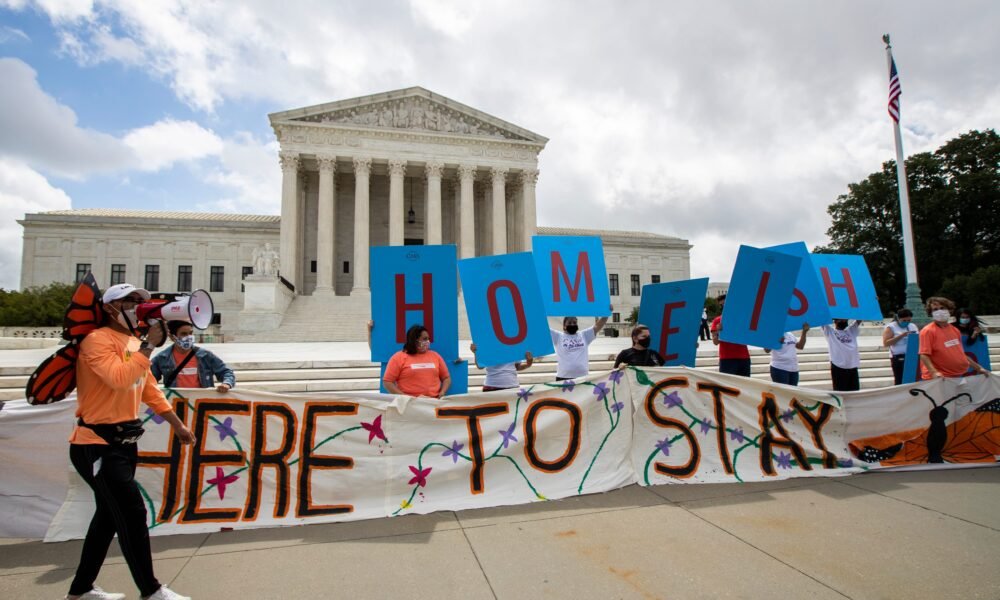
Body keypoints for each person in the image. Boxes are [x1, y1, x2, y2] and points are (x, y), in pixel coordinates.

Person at [67, 283, 194, 600]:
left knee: (108, 517)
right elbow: (119, 379)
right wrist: (148, 347)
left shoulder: (132, 343)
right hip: (95, 443)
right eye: (130, 301)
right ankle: (151, 590)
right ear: (110, 307)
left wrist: (178, 425)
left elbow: (148, 388)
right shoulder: (96, 340)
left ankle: (81, 590)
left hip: (124, 442)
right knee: (132, 513)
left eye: (140, 300)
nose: (137, 305)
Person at [150, 321, 235, 391]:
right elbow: (148, 379)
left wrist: (226, 383)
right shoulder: (162, 358)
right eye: (183, 334)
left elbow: (226, 372)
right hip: (175, 402)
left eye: (190, 333)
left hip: (201, 401)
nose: (189, 337)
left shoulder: (205, 355)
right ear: (172, 337)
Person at [919, 297, 990, 380]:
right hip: (939, 378)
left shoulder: (954, 330)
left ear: (949, 310)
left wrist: (979, 368)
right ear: (931, 313)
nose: (939, 311)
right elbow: (924, 355)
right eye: (935, 309)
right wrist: (934, 372)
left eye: (942, 308)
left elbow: (961, 354)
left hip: (956, 376)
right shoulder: (928, 331)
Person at [383, 324, 452, 397]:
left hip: (434, 401)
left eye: (428, 339)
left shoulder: (435, 356)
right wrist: (404, 397)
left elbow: (446, 378)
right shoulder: (398, 357)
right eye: (425, 339)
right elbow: (387, 382)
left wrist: (442, 392)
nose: (428, 341)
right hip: (410, 402)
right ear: (414, 340)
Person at [550, 310, 610, 380]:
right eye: (569, 323)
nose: (572, 325)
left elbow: (598, 326)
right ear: (564, 325)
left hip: (582, 377)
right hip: (563, 377)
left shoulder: (584, 335)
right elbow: (543, 327)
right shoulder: (558, 336)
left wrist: (607, 312)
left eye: (574, 322)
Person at [710, 294, 751, 377]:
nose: (723, 307)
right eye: (721, 305)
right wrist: (718, 331)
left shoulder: (742, 319)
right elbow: (715, 342)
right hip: (727, 359)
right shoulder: (717, 321)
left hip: (744, 357)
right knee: (727, 385)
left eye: (725, 304)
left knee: (744, 384)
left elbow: (749, 335)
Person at [821, 319, 861, 392]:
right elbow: (822, 319)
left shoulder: (851, 330)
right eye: (840, 319)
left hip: (852, 368)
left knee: (854, 394)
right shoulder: (830, 331)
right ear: (835, 321)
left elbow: (859, 319)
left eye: (844, 319)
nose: (843, 321)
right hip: (838, 368)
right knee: (840, 394)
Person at [882, 308, 919, 385]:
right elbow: (886, 343)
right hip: (898, 356)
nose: (906, 322)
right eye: (904, 320)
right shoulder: (891, 327)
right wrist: (902, 336)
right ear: (898, 319)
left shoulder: (912, 326)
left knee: (912, 379)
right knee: (899, 379)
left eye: (909, 320)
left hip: (911, 355)